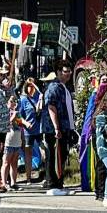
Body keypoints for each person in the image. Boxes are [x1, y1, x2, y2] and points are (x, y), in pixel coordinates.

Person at [43, 61, 77, 191]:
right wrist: (56, 127)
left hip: (65, 128)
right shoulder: (54, 87)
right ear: (58, 72)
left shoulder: (64, 88)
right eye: (65, 71)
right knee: (53, 156)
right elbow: (51, 107)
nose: (68, 74)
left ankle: (58, 182)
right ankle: (52, 183)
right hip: (54, 129)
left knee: (61, 155)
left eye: (69, 71)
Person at [18, 78, 43, 183]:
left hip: (40, 130)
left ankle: (44, 174)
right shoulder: (23, 100)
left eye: (33, 86)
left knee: (44, 151)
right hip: (28, 131)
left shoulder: (40, 97)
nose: (31, 88)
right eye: (29, 86)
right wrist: (25, 123)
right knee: (28, 154)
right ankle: (28, 178)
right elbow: (19, 116)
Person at [2, 95, 24, 190]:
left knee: (14, 163)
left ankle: (13, 182)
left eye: (15, 101)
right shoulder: (5, 113)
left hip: (17, 139)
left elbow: (21, 126)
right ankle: (4, 183)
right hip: (8, 140)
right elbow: (5, 124)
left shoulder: (17, 113)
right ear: (7, 103)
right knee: (6, 162)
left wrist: (23, 139)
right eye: (11, 101)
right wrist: (12, 117)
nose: (13, 103)